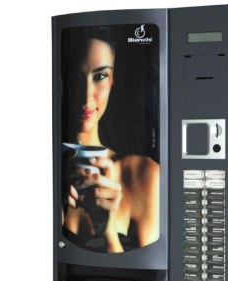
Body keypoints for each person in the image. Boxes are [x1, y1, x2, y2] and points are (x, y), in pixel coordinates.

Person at [61, 27, 160, 252]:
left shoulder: (145, 176)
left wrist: (107, 231)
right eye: (76, 76)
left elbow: (149, 270)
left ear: (112, 79)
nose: (87, 94)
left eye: (100, 76)